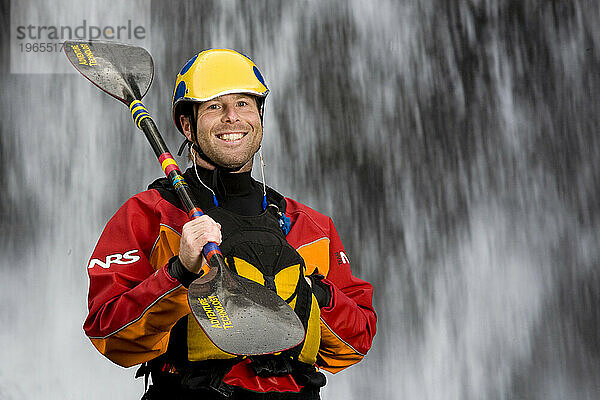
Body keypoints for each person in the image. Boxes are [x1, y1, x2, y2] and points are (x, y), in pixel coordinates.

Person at [84, 49, 377, 399]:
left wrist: (309, 290)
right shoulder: (149, 215)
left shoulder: (310, 226)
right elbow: (108, 334)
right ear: (187, 125)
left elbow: (356, 342)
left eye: (243, 104)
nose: (231, 118)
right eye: (213, 106)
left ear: (260, 118)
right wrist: (180, 273)